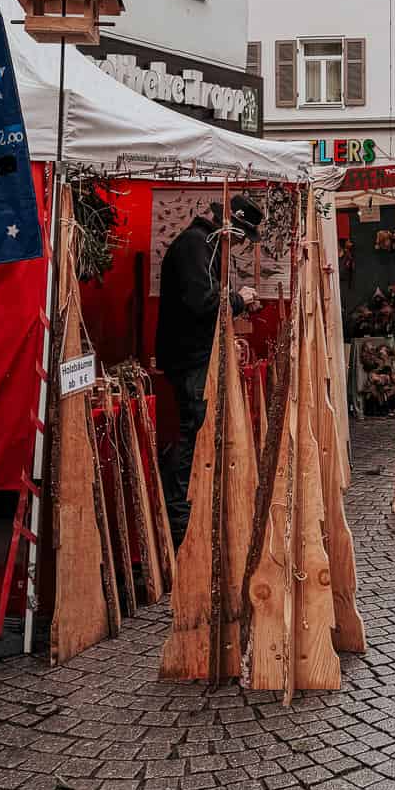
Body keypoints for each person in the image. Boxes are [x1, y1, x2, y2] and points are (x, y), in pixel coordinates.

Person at [156, 196, 262, 543]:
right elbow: (201, 302)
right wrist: (237, 300)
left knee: (198, 432)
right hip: (190, 358)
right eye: (242, 235)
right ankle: (181, 521)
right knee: (194, 434)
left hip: (194, 355)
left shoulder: (203, 245)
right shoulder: (195, 245)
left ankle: (189, 514)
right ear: (229, 227)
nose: (242, 243)